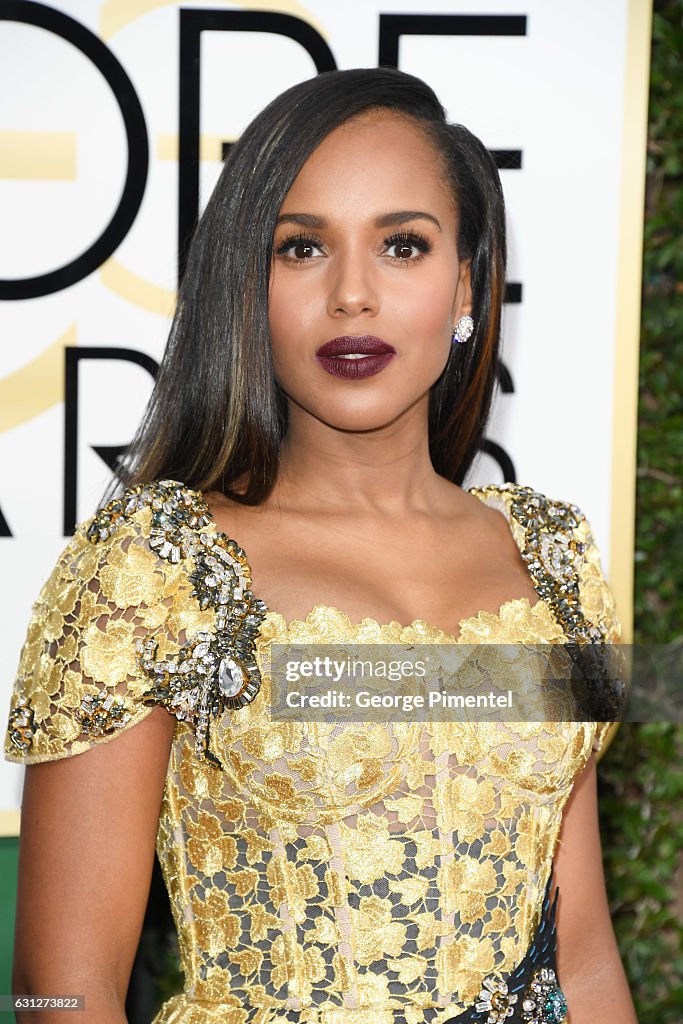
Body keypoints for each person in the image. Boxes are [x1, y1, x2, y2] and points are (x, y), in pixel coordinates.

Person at [4, 68, 636, 1024]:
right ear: (247, 290)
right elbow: (63, 993)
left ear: (466, 282)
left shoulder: (547, 563)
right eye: (302, 248)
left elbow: (580, 957)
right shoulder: (157, 571)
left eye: (402, 246)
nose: (352, 295)